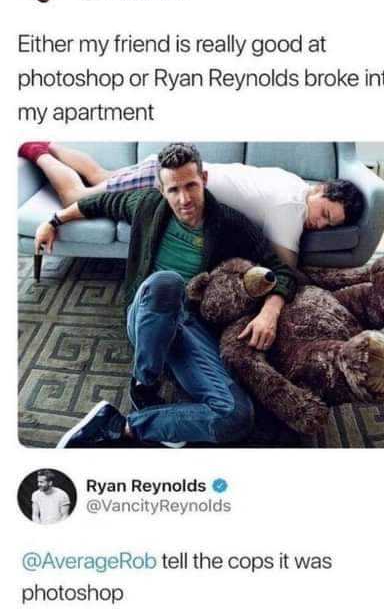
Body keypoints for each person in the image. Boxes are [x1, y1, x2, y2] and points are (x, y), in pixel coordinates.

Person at [34, 143, 298, 448]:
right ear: (161, 189)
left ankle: (123, 427)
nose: (184, 199)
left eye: (191, 186)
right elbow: (97, 203)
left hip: (189, 326)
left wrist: (269, 312)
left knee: (237, 416)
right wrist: (53, 221)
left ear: (205, 179)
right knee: (167, 283)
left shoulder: (229, 223)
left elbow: (281, 269)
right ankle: (144, 384)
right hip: (147, 312)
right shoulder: (146, 205)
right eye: (174, 190)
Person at [18, 142, 364, 268]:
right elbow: (287, 266)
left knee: (99, 174)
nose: (319, 224)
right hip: (173, 179)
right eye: (325, 214)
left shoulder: (294, 182)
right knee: (79, 196)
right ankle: (37, 151)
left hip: (178, 173)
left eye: (330, 226)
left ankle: (49, 144)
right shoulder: (293, 205)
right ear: (320, 191)